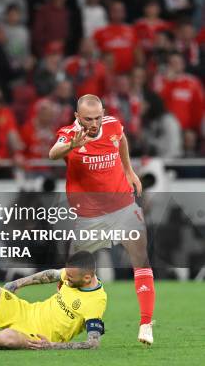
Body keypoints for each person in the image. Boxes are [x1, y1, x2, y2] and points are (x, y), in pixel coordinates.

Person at [48, 94, 154, 345]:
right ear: (77, 117)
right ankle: (57, 324)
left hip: (123, 207)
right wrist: (72, 146)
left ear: (103, 113)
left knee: (141, 260)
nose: (93, 124)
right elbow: (53, 153)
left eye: (97, 117)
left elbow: (122, 140)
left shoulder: (113, 125)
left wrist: (128, 170)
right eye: (87, 119)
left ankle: (146, 323)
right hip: (89, 217)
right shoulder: (69, 133)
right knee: (71, 276)